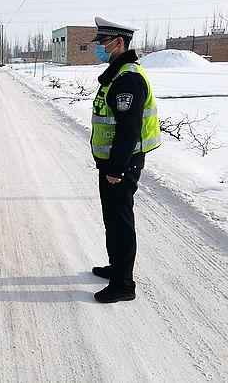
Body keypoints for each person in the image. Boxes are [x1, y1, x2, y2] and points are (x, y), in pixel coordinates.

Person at [90, 16, 161, 303]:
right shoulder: (118, 73)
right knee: (112, 219)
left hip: (122, 164)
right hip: (112, 164)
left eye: (103, 43)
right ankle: (116, 267)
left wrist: (116, 168)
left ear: (119, 42)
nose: (99, 48)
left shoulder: (128, 78)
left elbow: (128, 129)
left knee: (120, 223)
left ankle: (123, 285)